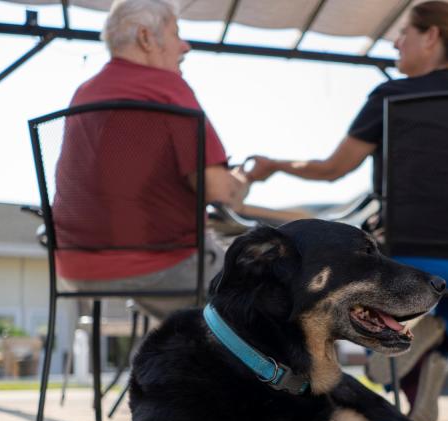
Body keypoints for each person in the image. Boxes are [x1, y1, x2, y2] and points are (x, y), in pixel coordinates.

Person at [246, 1, 448, 421]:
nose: (396, 42)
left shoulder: (393, 96)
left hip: (421, 256)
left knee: (371, 266)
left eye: (404, 32)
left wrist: (275, 165)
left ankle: (389, 348)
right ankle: (440, 346)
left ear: (430, 36)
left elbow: (332, 168)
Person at [54, 0, 305, 321]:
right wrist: (249, 178)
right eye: (176, 33)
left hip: (78, 266)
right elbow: (220, 192)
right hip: (159, 265)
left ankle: (176, 362)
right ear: (146, 38)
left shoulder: (85, 93)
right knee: (283, 291)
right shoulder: (164, 88)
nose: (185, 45)